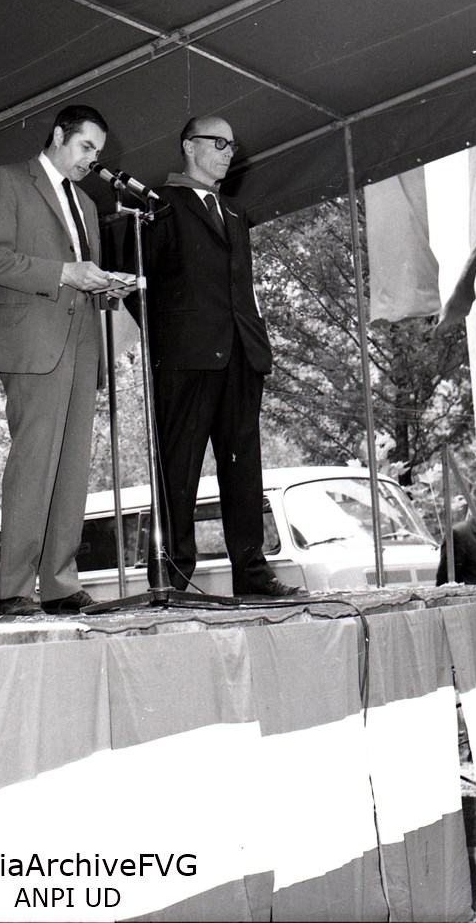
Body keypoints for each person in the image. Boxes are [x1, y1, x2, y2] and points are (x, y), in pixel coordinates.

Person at [0, 104, 134, 616]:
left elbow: (81, 274)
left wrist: (105, 284)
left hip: (82, 343)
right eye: (86, 146)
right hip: (33, 343)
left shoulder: (86, 203)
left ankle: (61, 585)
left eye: (98, 151)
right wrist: (66, 273)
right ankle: (14, 590)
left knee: (72, 469)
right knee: (34, 465)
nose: (92, 160)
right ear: (59, 136)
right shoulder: (8, 180)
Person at [135, 115, 301, 598]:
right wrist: (173, 338)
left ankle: (251, 572)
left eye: (233, 145)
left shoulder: (233, 212)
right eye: (219, 143)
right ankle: (173, 578)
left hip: (242, 356)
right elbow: (137, 287)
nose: (229, 153)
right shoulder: (157, 205)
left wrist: (255, 342)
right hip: (186, 358)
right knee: (179, 469)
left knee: (243, 467)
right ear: (189, 146)